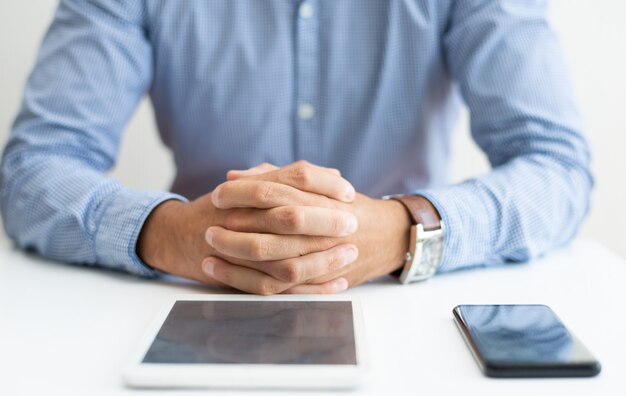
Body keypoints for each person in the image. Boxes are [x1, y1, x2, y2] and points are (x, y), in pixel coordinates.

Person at [0, 1, 592, 295]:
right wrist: (168, 233)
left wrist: (403, 231)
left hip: (407, 296)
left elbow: (557, 167)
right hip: (198, 289)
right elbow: (34, 167)